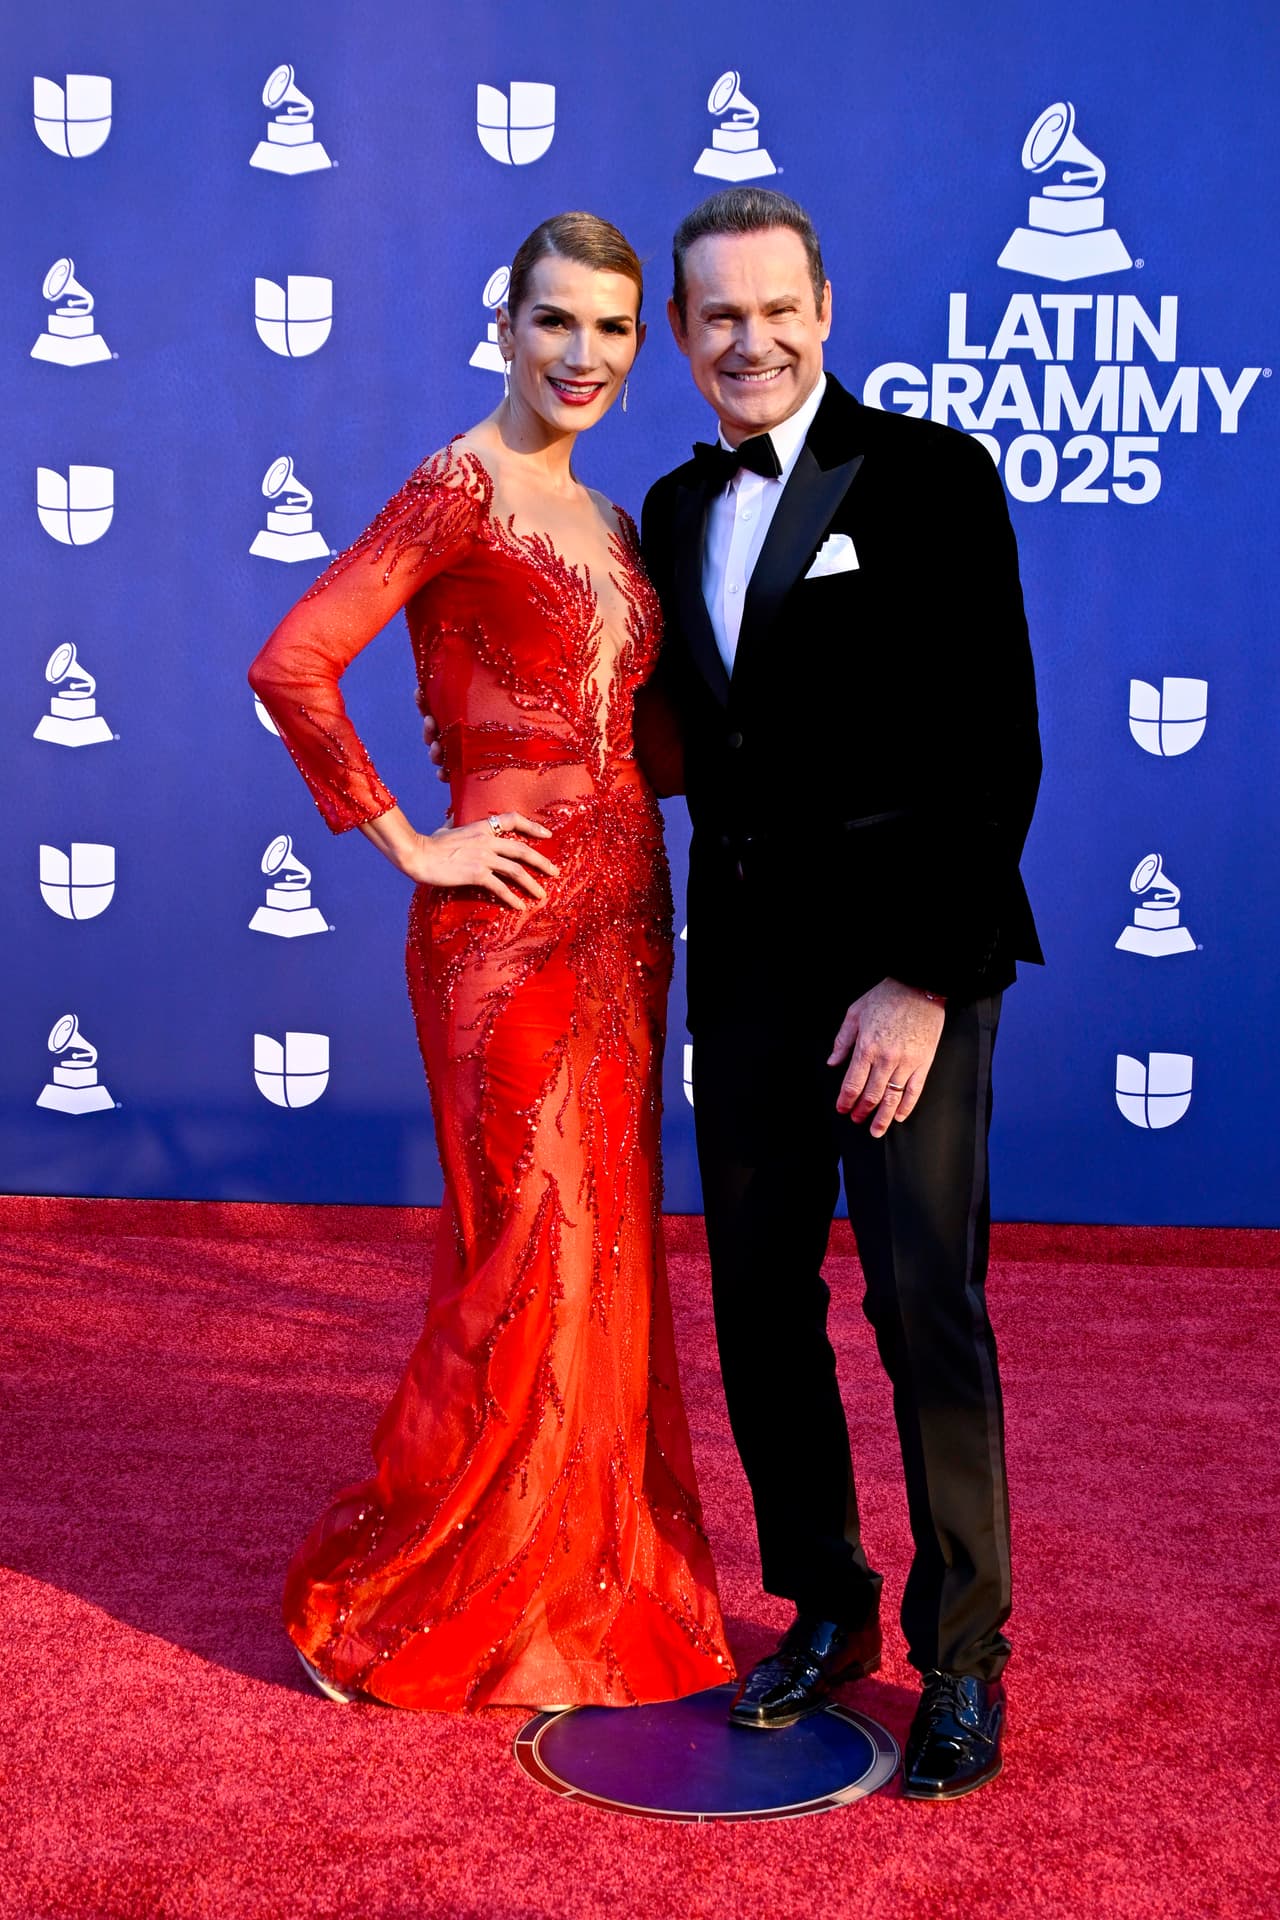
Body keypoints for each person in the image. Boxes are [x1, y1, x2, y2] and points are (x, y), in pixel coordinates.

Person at [248, 213, 732, 1711]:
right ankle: (418, 1595)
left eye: (612, 328)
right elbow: (293, 661)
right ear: (506, 326)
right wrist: (410, 838)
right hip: (504, 933)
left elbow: (648, 741)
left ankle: (584, 1581)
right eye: (555, 322)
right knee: (520, 1250)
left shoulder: (611, 519)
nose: (582, 354)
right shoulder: (458, 486)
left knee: (609, 1249)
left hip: (629, 918)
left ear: (639, 345)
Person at [639, 187, 1043, 1798]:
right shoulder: (676, 504)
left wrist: (923, 981)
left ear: (824, 310)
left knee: (920, 1300)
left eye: (775, 309)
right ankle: (825, 1600)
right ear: (683, 337)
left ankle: (964, 1657)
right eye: (718, 317)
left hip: (900, 971)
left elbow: (996, 746)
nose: (751, 340)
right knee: (756, 1298)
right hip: (744, 970)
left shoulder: (931, 475)